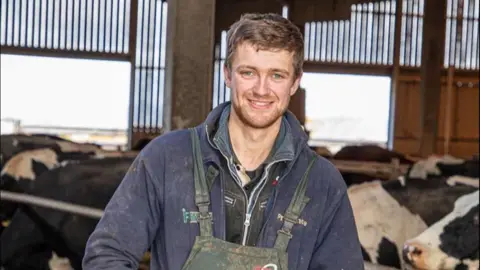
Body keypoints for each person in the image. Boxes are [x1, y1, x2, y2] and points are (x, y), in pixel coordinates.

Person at [82, 13, 364, 270]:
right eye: (248, 73)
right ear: (228, 74)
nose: (261, 90)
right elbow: (107, 254)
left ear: (294, 83)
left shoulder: (322, 183)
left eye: (277, 75)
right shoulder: (167, 158)